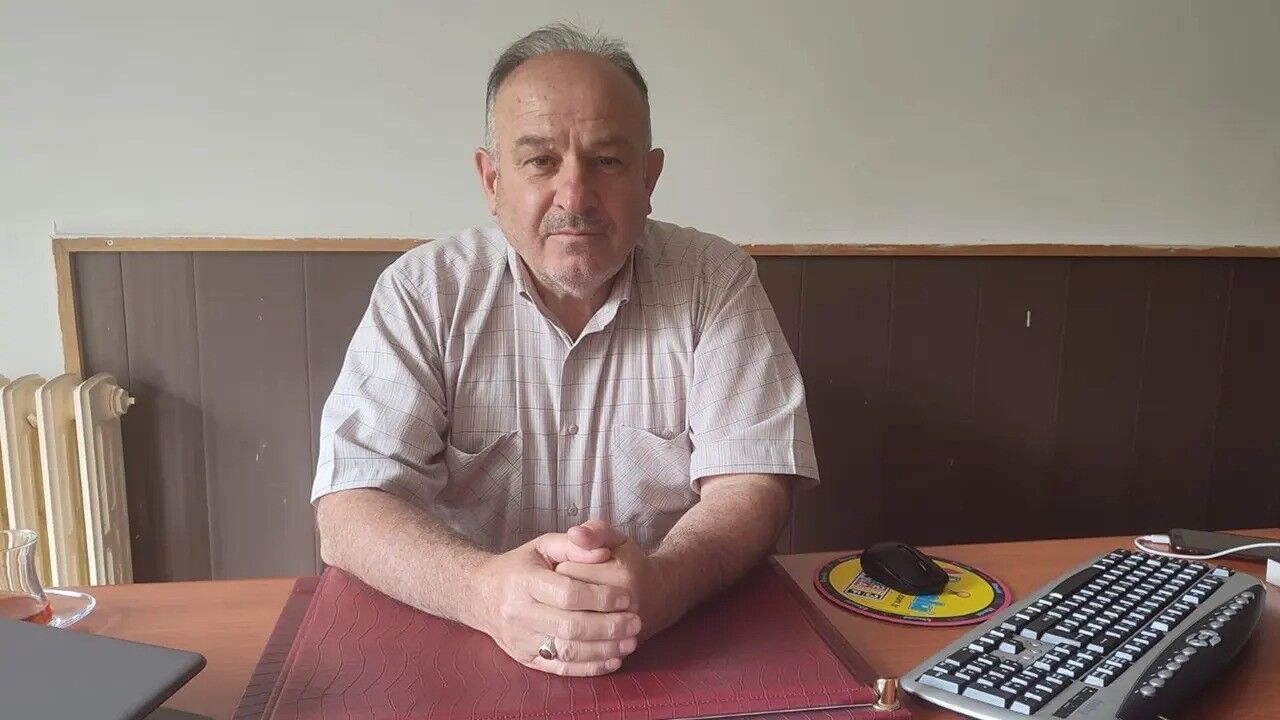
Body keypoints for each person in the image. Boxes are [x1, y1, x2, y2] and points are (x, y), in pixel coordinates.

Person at [311, 23, 819, 678]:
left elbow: (753, 483)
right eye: (541, 161)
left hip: (672, 644)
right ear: (491, 180)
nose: (575, 197)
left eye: (606, 161)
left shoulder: (714, 280)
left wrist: (663, 583)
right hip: (464, 646)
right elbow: (349, 507)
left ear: (649, 177)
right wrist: (483, 591)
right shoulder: (423, 291)